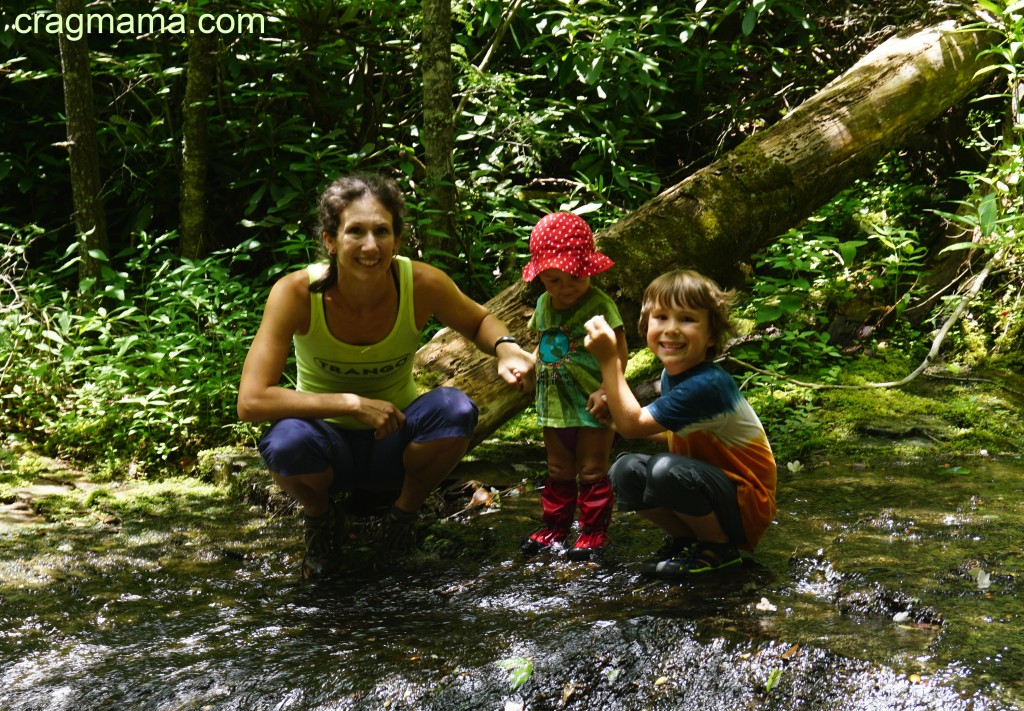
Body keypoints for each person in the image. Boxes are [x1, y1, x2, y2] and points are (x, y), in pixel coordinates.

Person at [237, 173, 534, 579]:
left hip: (394, 443)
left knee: (456, 409)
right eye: (355, 231)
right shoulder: (295, 294)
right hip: (325, 447)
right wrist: (350, 404)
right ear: (329, 239)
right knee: (284, 442)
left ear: (397, 239)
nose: (370, 246)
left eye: (382, 231)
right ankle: (322, 521)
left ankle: (403, 518)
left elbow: (479, 320)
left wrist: (505, 348)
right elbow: (252, 400)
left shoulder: (422, 282)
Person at [583, 269, 776, 577]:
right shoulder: (671, 376)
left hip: (746, 502)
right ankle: (688, 539)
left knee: (664, 470)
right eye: (661, 317)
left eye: (687, 319)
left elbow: (635, 426)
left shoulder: (706, 384)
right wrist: (614, 419)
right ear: (646, 326)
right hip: (716, 489)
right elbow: (671, 433)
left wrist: (609, 361)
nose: (671, 329)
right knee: (625, 469)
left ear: (711, 334)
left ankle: (719, 549)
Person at [519, 212, 628, 561]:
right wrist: (529, 365)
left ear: (589, 269)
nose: (565, 289)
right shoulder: (543, 304)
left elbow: (621, 354)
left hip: (593, 401)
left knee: (592, 469)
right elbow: (546, 342)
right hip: (554, 403)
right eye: (553, 281)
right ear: (541, 278)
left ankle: (593, 532)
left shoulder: (600, 305)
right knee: (557, 469)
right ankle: (555, 528)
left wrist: (609, 391)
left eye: (574, 279)